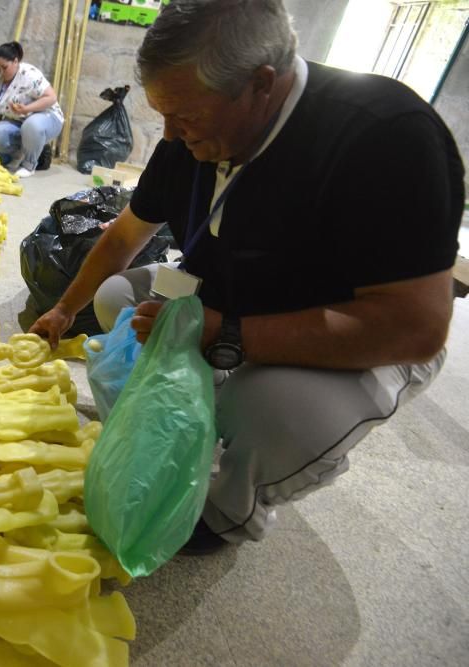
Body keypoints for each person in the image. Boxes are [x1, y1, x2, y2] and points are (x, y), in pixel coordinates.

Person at [30, 0, 464, 553]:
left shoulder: (388, 138)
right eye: (162, 113)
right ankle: (191, 418)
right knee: (118, 299)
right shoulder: (188, 137)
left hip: (356, 328)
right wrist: (66, 310)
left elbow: (416, 328)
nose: (168, 134)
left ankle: (227, 511)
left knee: (265, 412)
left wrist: (225, 333)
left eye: (184, 116)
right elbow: (122, 237)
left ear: (262, 85)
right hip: (227, 293)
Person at [0, 42, 64, 179]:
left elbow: (51, 97)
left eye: (4, 67)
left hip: (47, 118)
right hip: (17, 122)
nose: (1, 72)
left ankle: (29, 165)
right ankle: (20, 153)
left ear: (15, 61)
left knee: (31, 125)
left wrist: (26, 109)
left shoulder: (29, 74)